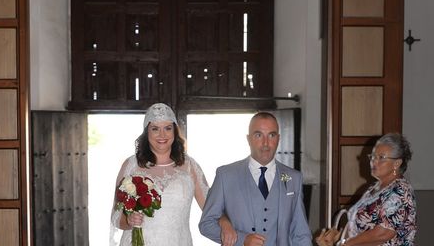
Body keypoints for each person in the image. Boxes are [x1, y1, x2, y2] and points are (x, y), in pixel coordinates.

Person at [111, 103, 237, 246]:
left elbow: (211, 207)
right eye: (155, 129)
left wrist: (225, 222)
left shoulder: (190, 166)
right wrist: (129, 221)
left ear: (175, 131)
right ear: (147, 132)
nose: (162, 135)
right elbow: (116, 218)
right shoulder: (131, 165)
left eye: (168, 128)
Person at [199, 111, 313, 246]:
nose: (266, 143)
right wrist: (242, 239)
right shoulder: (226, 175)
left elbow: (301, 233)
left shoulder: (293, 178)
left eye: (271, 135)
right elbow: (207, 224)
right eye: (258, 135)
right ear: (248, 139)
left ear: (279, 138)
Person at [315, 133, 416, 246]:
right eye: (372, 156)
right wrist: (338, 236)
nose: (373, 161)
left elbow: (383, 233)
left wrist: (345, 243)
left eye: (381, 157)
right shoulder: (374, 188)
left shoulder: (400, 191)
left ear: (396, 163)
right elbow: (361, 227)